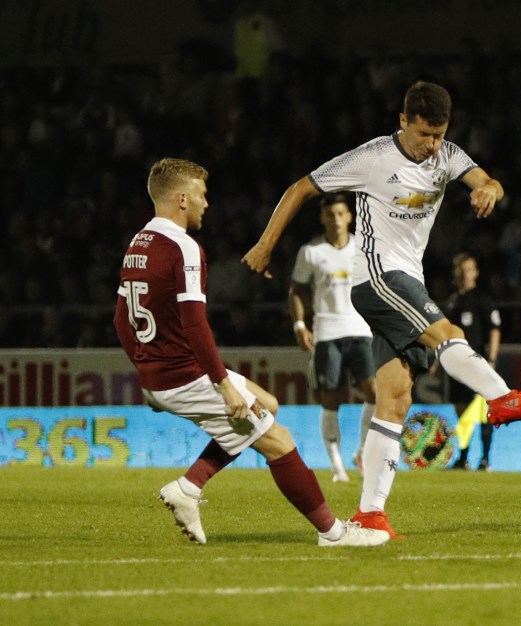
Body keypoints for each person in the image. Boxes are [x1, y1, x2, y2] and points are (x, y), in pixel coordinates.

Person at [242, 81, 521, 539]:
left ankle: (371, 514)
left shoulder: (447, 155)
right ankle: (500, 397)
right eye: (422, 135)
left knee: (394, 399)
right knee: (445, 330)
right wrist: (264, 244)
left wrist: (490, 189)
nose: (430, 145)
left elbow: (487, 179)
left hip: (408, 280)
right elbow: (300, 189)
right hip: (376, 278)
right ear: (403, 122)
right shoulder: (371, 158)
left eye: (438, 134)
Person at [113, 158, 388, 548]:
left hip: (164, 375)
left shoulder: (138, 243)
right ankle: (333, 532)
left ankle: (189, 488)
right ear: (181, 199)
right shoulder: (184, 248)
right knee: (279, 440)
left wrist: (146, 375)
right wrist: (223, 385)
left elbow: (121, 320)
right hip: (185, 375)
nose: (207, 203)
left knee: (268, 404)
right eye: (201, 194)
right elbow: (195, 325)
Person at [289, 192, 377, 483]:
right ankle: (337, 466)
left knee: (374, 392)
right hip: (327, 331)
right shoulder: (311, 252)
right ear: (323, 218)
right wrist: (300, 325)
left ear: (349, 216)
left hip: (361, 328)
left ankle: (363, 452)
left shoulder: (363, 248)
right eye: (330, 215)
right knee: (331, 397)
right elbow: (297, 291)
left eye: (340, 214)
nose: (336, 220)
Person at [444, 252, 501, 471]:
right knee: (461, 411)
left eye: (468, 269)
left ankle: (485, 459)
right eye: (461, 270)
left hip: (478, 362)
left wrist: (492, 359)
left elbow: (494, 330)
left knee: (482, 410)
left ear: (475, 272)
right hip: (456, 364)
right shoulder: (453, 300)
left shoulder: (482, 299)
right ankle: (463, 457)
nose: (464, 274)